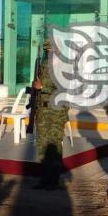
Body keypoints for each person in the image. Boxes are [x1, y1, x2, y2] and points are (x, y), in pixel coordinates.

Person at [32, 39, 69, 189]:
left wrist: (43, 86)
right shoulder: (43, 65)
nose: (49, 53)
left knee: (54, 146)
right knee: (42, 145)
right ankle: (44, 178)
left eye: (51, 51)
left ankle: (54, 180)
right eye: (47, 51)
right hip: (43, 109)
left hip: (56, 111)